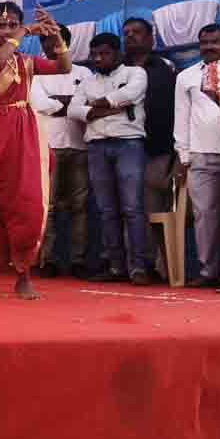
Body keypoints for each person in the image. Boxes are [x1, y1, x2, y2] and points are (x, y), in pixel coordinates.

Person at [0, 1, 69, 300]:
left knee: (31, 200)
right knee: (5, 203)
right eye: (2, 25)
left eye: (14, 24)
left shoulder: (27, 60)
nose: (8, 29)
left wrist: (55, 36)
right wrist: (24, 31)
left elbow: (64, 67)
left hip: (27, 129)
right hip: (0, 130)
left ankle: (15, 272)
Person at [68, 33, 149, 285]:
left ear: (118, 53)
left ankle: (138, 268)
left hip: (129, 143)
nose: (98, 58)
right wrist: (113, 107)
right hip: (97, 147)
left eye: (104, 53)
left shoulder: (135, 74)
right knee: (106, 211)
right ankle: (116, 267)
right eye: (94, 55)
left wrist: (95, 107)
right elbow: (73, 110)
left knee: (132, 208)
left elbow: (131, 94)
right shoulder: (87, 81)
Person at [28, 25, 93, 278]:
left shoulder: (84, 72)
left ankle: (78, 260)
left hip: (80, 144)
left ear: (66, 42)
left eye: (55, 40)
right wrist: (69, 103)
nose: (49, 45)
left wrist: (60, 103)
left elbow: (85, 102)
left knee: (80, 206)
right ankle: (48, 259)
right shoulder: (37, 73)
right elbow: (39, 103)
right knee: (50, 206)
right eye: (45, 41)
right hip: (49, 145)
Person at [176, 24, 220, 289]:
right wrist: (183, 155)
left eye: (215, 42)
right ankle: (208, 270)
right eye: (204, 42)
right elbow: (182, 117)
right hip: (200, 154)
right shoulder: (186, 77)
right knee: (205, 215)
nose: (209, 47)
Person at [123, 17, 177, 275]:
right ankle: (134, 266)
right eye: (127, 33)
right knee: (128, 208)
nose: (131, 36)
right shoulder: (117, 68)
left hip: (157, 148)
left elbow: (175, 109)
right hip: (124, 148)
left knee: (154, 209)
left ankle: (161, 267)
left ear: (151, 38)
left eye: (137, 32)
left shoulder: (165, 68)